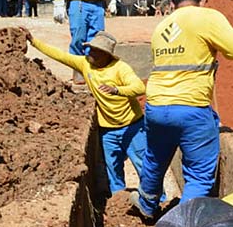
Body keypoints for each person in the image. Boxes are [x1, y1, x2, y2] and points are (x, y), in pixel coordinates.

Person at [130, 0, 233, 219]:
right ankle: (182, 226)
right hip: (191, 107)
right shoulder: (207, 17)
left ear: (172, 4)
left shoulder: (161, 27)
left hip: (156, 106)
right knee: (199, 174)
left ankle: (147, 205)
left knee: (155, 158)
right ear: (200, 0)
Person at [22, 28, 146, 196]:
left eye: (95, 50)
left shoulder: (120, 68)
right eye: (91, 48)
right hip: (108, 130)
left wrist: (117, 90)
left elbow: (138, 87)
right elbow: (60, 56)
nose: (90, 53)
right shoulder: (85, 63)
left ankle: (158, 200)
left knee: (143, 165)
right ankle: (119, 199)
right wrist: (33, 41)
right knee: (112, 167)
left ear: (106, 54)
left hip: (132, 127)